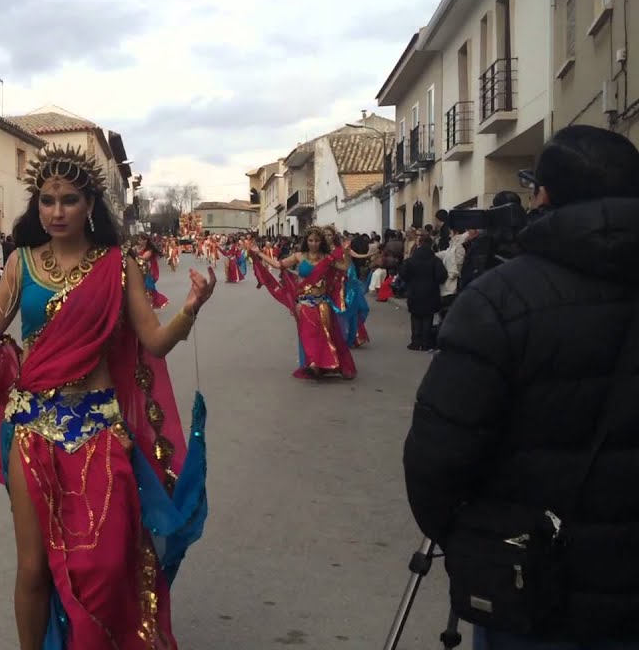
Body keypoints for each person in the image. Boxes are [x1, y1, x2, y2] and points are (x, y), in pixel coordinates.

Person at [0, 145, 213, 649]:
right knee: (33, 565)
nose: (56, 211)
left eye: (68, 200)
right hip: (31, 425)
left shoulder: (116, 264)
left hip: (99, 428)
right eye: (47, 200)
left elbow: (153, 340)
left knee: (106, 560)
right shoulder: (21, 261)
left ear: (90, 205)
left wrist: (190, 308)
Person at [404, 125, 639, 650]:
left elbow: (436, 456)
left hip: (531, 580)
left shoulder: (498, 299)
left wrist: (471, 539)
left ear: (545, 196)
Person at [249, 227, 357, 379]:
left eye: (317, 241)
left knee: (326, 334)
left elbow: (345, 267)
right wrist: (259, 253)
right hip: (304, 303)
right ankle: (313, 363)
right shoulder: (299, 256)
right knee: (309, 334)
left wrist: (346, 251)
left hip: (322, 303)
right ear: (306, 241)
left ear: (321, 242)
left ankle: (325, 364)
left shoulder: (328, 258)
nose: (314, 243)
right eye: (311, 240)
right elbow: (278, 265)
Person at [398, 233, 447, 351]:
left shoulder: (411, 260)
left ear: (419, 244)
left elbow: (403, 274)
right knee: (427, 318)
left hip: (414, 291)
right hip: (431, 292)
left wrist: (410, 282)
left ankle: (415, 341)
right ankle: (426, 342)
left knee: (415, 316)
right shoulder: (435, 260)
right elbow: (441, 276)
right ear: (431, 245)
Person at [139, 234, 169, 308]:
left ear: (145, 240)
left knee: (149, 288)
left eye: (140, 240)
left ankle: (151, 304)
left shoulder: (149, 250)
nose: (139, 241)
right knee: (145, 288)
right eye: (138, 240)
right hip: (143, 271)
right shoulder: (141, 248)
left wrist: (133, 255)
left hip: (149, 272)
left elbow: (144, 258)